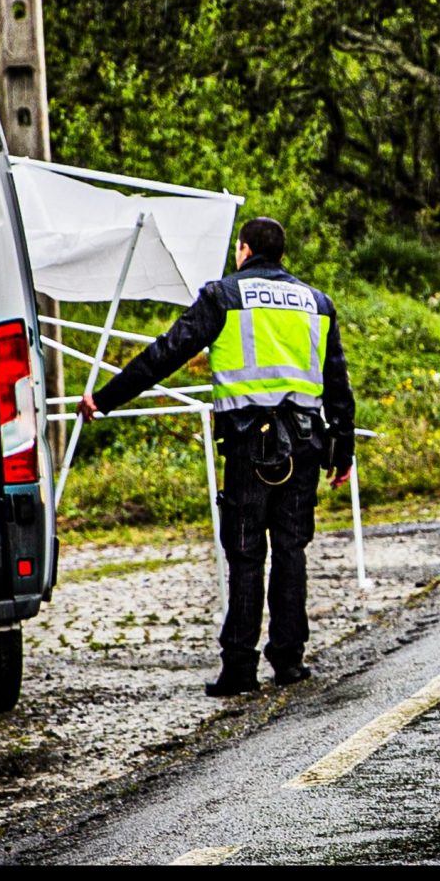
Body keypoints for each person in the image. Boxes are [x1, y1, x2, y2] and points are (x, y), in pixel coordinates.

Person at [78, 217, 356, 696]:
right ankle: (289, 661)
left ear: (244, 250)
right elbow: (339, 387)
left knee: (246, 555)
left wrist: (105, 399)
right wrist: (343, 450)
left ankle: (239, 669)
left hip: (250, 447)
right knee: (291, 552)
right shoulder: (317, 303)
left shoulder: (223, 296)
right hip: (306, 446)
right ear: (281, 253)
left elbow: (163, 355)